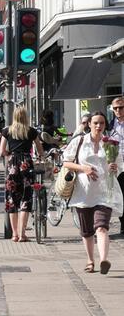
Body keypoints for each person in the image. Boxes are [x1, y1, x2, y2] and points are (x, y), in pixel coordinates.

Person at [63, 112, 122, 275]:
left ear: (105, 125)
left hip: (104, 192)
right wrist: (84, 168)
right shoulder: (79, 141)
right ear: (89, 124)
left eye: (102, 123)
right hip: (83, 193)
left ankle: (104, 259)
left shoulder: (111, 143)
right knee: (87, 231)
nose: (98, 126)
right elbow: (66, 162)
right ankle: (90, 261)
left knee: (102, 227)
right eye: (95, 123)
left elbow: (119, 164)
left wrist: (114, 168)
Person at [0, 106, 45, 242]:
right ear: (26, 117)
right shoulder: (31, 131)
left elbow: (1, 151)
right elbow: (39, 148)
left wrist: (10, 155)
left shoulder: (7, 130)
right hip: (26, 164)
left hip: (12, 164)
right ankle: (23, 234)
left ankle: (14, 234)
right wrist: (41, 156)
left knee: (12, 199)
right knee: (26, 198)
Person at [108, 97, 124, 235]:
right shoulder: (112, 123)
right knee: (120, 195)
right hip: (118, 164)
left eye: (121, 107)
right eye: (115, 108)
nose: (118, 110)